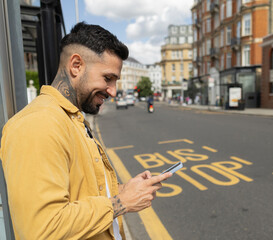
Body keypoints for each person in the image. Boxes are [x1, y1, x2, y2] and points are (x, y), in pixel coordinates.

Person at [0, 22, 172, 240]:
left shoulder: (72, 117)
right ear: (76, 65)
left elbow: (82, 193)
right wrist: (121, 203)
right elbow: (42, 230)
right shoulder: (37, 125)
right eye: (107, 78)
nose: (113, 91)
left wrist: (123, 190)